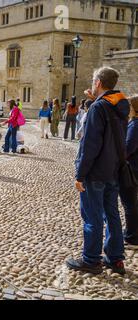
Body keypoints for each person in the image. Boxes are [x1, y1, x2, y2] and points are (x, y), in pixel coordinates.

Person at [68, 67, 130, 275]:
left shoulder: (98, 108)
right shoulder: (121, 105)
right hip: (113, 169)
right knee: (112, 215)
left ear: (98, 83)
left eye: (94, 81)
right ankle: (115, 258)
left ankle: (91, 259)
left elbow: (90, 145)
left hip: (95, 171)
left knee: (92, 216)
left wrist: (80, 174)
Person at [119, 95, 138, 246]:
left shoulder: (135, 125)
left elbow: (128, 148)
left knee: (129, 203)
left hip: (132, 169)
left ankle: (132, 236)